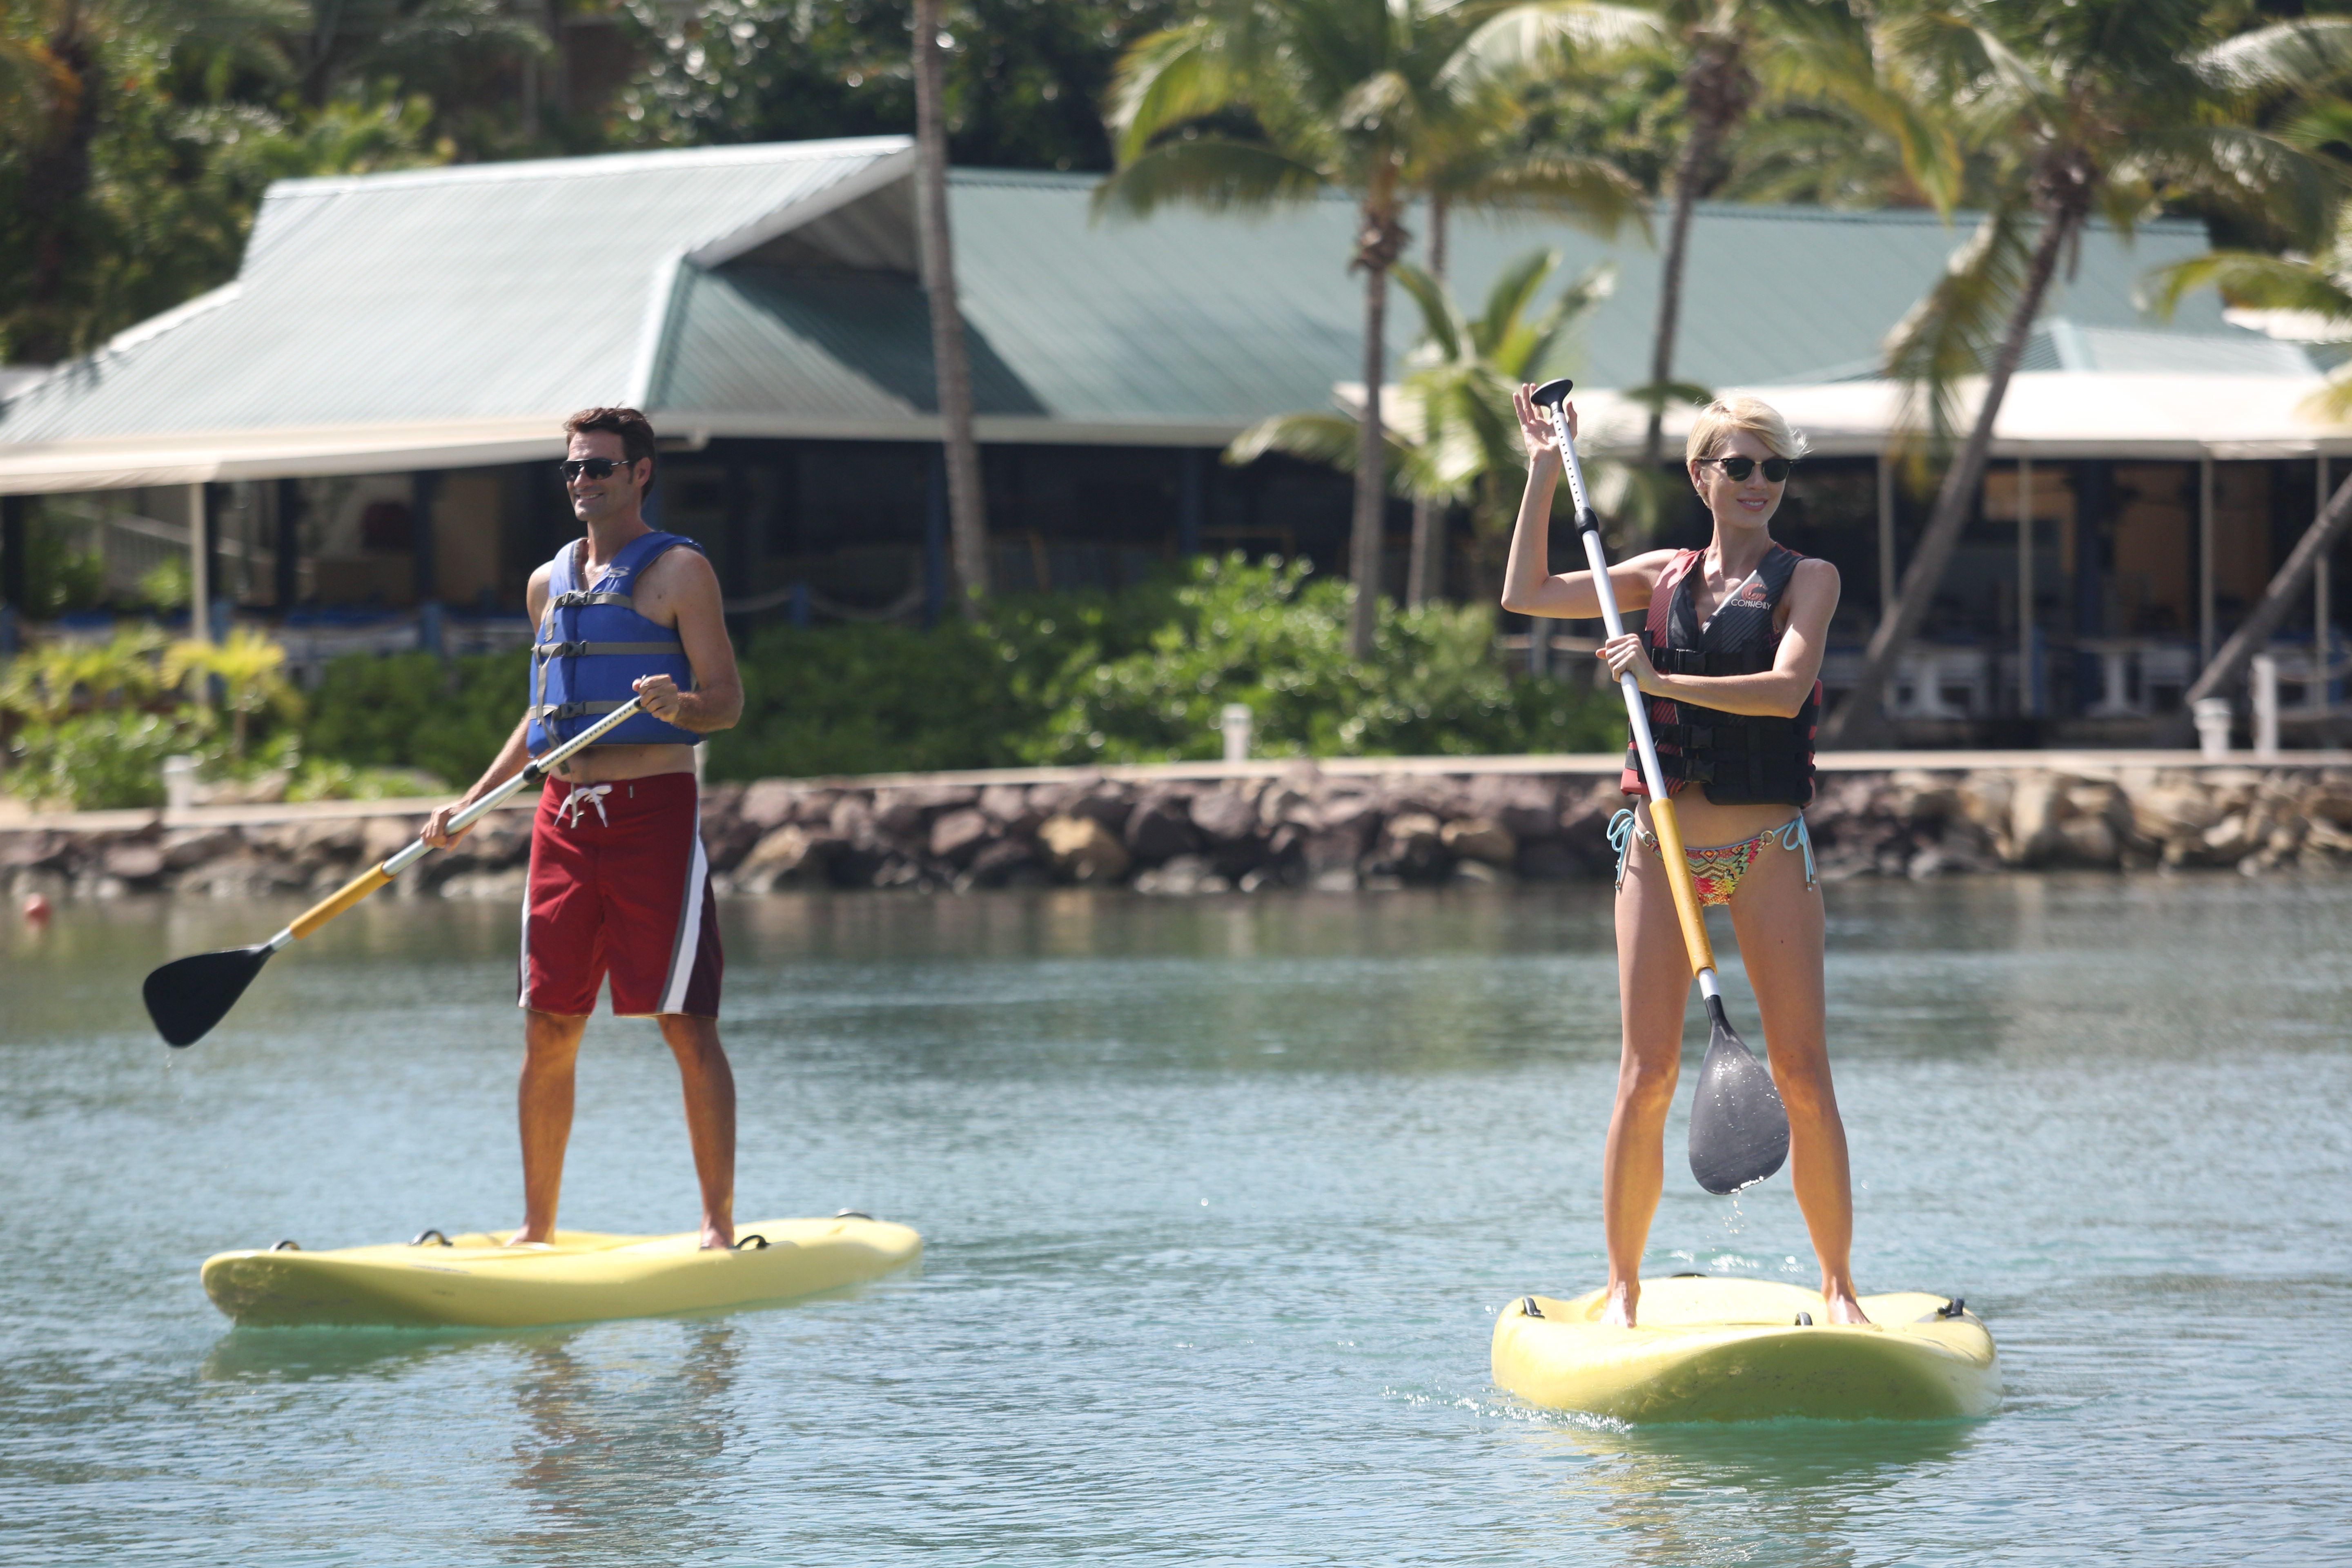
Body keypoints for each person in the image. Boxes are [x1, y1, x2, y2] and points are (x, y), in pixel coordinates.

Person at [1499, 386, 1865, 1328]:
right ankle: (1621, 1292)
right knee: (1646, 1072)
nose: (1758, 484)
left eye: (1774, 469)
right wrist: (1545, 469)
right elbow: (1527, 594)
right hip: (1658, 850)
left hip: (1766, 849)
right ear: (1703, 475)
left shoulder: (1808, 578)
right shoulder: (1657, 574)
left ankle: (1840, 1290)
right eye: (1739, 466)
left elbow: (1786, 692)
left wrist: (1658, 679)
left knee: (1804, 1072)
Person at [423, 406, 745, 1250]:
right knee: (548, 1024)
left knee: (685, 1021)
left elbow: (727, 703)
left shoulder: (680, 573)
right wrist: (471, 802)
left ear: (640, 473)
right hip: (562, 819)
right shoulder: (547, 582)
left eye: (599, 467)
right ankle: (539, 1231)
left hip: (654, 820)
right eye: (572, 469)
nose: (582, 482)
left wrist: (683, 705)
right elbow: (543, 716)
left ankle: (717, 1225)